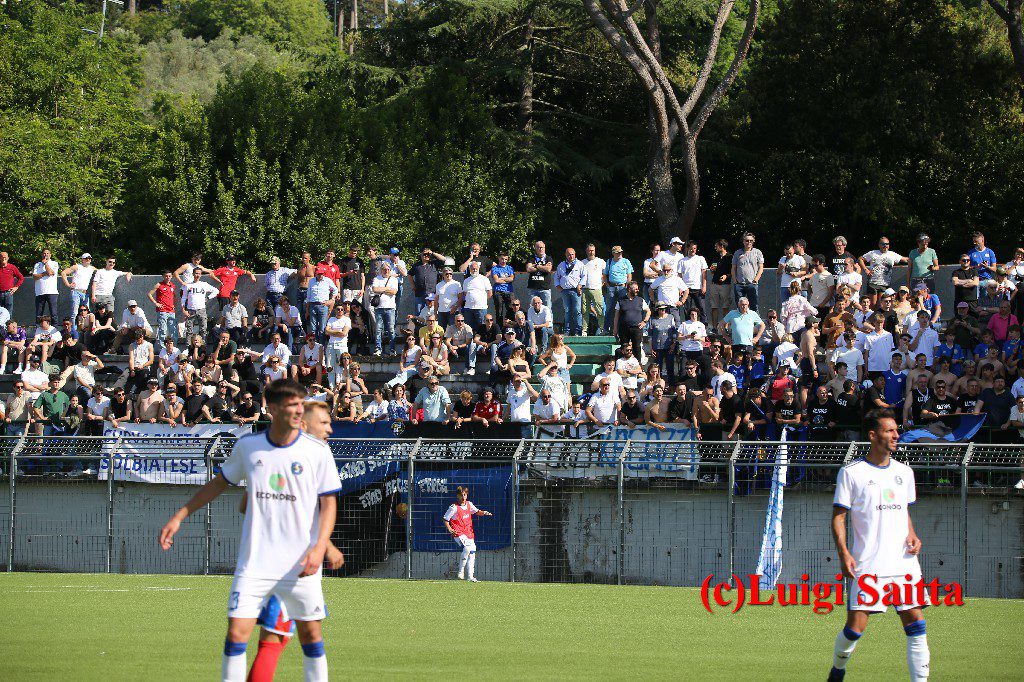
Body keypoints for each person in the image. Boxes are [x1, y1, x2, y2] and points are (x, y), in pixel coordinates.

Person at [159, 379, 340, 682]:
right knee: (237, 632)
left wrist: (321, 545)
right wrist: (181, 515)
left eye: (300, 404)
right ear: (272, 408)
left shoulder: (317, 452)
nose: (299, 410)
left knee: (310, 634)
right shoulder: (248, 447)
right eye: (292, 404)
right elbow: (220, 483)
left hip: (299, 565)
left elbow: (329, 504)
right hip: (255, 562)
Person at [829, 409, 928, 682]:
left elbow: (902, 511)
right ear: (873, 436)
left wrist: (913, 534)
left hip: (904, 562)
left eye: (896, 430)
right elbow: (838, 517)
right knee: (855, 629)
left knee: (916, 624)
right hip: (869, 564)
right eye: (889, 431)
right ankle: (837, 669)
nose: (896, 435)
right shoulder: (852, 473)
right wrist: (844, 552)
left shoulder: (904, 472)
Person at [443, 486, 493, 582]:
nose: (463, 497)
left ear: (466, 495)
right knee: (467, 548)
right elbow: (445, 519)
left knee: (472, 552)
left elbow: (477, 512)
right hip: (458, 532)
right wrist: (449, 528)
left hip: (469, 532)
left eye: (464, 495)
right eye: (461, 495)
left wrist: (485, 512)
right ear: (457, 496)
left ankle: (470, 576)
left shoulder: (469, 504)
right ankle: (460, 572)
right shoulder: (454, 507)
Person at [612, 281, 650, 356]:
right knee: (624, 348)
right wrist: (615, 329)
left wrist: (644, 321)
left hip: (637, 328)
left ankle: (638, 366)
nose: (637, 290)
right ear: (629, 289)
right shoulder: (620, 301)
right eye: (635, 289)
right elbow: (616, 316)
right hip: (624, 329)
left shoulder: (640, 300)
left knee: (637, 348)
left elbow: (648, 311)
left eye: (637, 289)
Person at [370, 262, 399, 356]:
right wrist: (387, 289)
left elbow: (394, 291)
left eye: (388, 270)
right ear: (381, 270)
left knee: (391, 329)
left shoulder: (394, 279)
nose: (386, 271)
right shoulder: (376, 278)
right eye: (384, 269)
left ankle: (392, 349)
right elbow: (375, 289)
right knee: (378, 329)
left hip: (390, 307)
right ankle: (378, 349)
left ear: (390, 270)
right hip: (379, 308)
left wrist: (382, 288)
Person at [180, 268, 219, 340]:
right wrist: (183, 310)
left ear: (201, 275)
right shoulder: (187, 285)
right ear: (193, 274)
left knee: (203, 329)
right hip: (190, 310)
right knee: (189, 330)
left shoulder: (204, 284)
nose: (197, 275)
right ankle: (188, 347)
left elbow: (216, 291)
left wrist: (207, 298)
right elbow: (183, 298)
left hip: (201, 310)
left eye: (199, 273)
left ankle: (203, 347)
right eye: (196, 273)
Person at [61, 253, 96, 330]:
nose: (88, 260)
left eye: (89, 258)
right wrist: (68, 284)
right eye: (86, 258)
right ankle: (74, 331)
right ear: (82, 259)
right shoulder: (76, 267)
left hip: (86, 293)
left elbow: (102, 273)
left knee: (86, 313)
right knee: (74, 313)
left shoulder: (92, 268)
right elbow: (63, 273)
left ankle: (85, 329)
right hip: (76, 292)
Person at [603, 245, 634, 334]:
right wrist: (607, 285)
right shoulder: (609, 262)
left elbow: (629, 275)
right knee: (609, 309)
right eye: (617, 253)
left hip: (622, 287)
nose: (620, 254)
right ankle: (606, 330)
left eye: (620, 252)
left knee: (623, 308)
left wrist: (627, 286)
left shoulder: (626, 261)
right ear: (613, 253)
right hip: (611, 287)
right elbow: (604, 275)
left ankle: (623, 328)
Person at [555, 248, 585, 336]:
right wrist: (558, 287)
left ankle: (578, 331)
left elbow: (584, 276)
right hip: (565, 291)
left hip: (576, 290)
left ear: (575, 254)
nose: (570, 256)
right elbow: (556, 277)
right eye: (569, 254)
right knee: (567, 311)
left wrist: (580, 285)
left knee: (577, 311)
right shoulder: (561, 265)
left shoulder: (579, 264)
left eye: (572, 254)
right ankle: (567, 331)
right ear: (565, 255)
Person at [731, 232, 764, 311]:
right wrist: (735, 281)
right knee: (739, 307)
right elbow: (733, 268)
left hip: (752, 284)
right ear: (743, 241)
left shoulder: (758, 252)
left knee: (754, 306)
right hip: (739, 284)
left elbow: (761, 268)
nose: (749, 242)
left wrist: (756, 279)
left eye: (751, 240)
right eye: (747, 240)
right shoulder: (737, 253)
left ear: (753, 241)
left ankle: (755, 323)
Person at [305, 269, 339, 345]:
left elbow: (335, 289)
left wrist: (331, 299)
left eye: (322, 274)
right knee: (313, 328)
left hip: (323, 305)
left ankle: (321, 347)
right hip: (313, 305)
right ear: (315, 274)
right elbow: (309, 294)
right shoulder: (311, 281)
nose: (320, 275)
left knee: (322, 328)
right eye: (319, 274)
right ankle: (314, 346)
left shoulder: (327, 280)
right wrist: (307, 309)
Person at [581, 243, 606, 335]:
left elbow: (605, 274)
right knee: (584, 311)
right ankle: (584, 330)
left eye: (593, 250)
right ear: (586, 251)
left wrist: (601, 284)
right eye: (589, 250)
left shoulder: (601, 261)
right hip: (584, 289)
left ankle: (602, 329)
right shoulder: (582, 262)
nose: (591, 252)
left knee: (600, 310)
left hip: (596, 288)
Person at [525, 240, 554, 310]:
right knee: (532, 308)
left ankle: (548, 321)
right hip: (532, 288)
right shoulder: (531, 258)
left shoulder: (548, 258)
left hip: (545, 288)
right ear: (535, 248)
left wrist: (536, 266)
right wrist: (543, 267)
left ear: (544, 248)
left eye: (542, 247)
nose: (541, 249)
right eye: (538, 247)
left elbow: (548, 269)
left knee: (547, 309)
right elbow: (528, 269)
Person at [489, 252, 515, 328]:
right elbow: (496, 280)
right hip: (498, 291)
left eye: (505, 259)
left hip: (509, 291)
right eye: (502, 259)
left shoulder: (510, 268)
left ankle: (510, 328)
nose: (503, 261)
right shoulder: (495, 268)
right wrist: (507, 279)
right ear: (499, 258)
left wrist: (502, 279)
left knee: (511, 310)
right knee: (499, 311)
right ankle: (499, 330)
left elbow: (512, 279)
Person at [32, 248, 59, 319]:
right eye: (44, 253)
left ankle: (55, 329)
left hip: (52, 292)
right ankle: (38, 329)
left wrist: (45, 263)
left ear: (50, 255)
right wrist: (44, 274)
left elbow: (50, 272)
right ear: (42, 254)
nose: (46, 255)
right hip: (40, 292)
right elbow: (34, 277)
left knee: (53, 314)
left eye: (47, 253)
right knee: (39, 314)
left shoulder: (54, 263)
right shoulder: (37, 265)